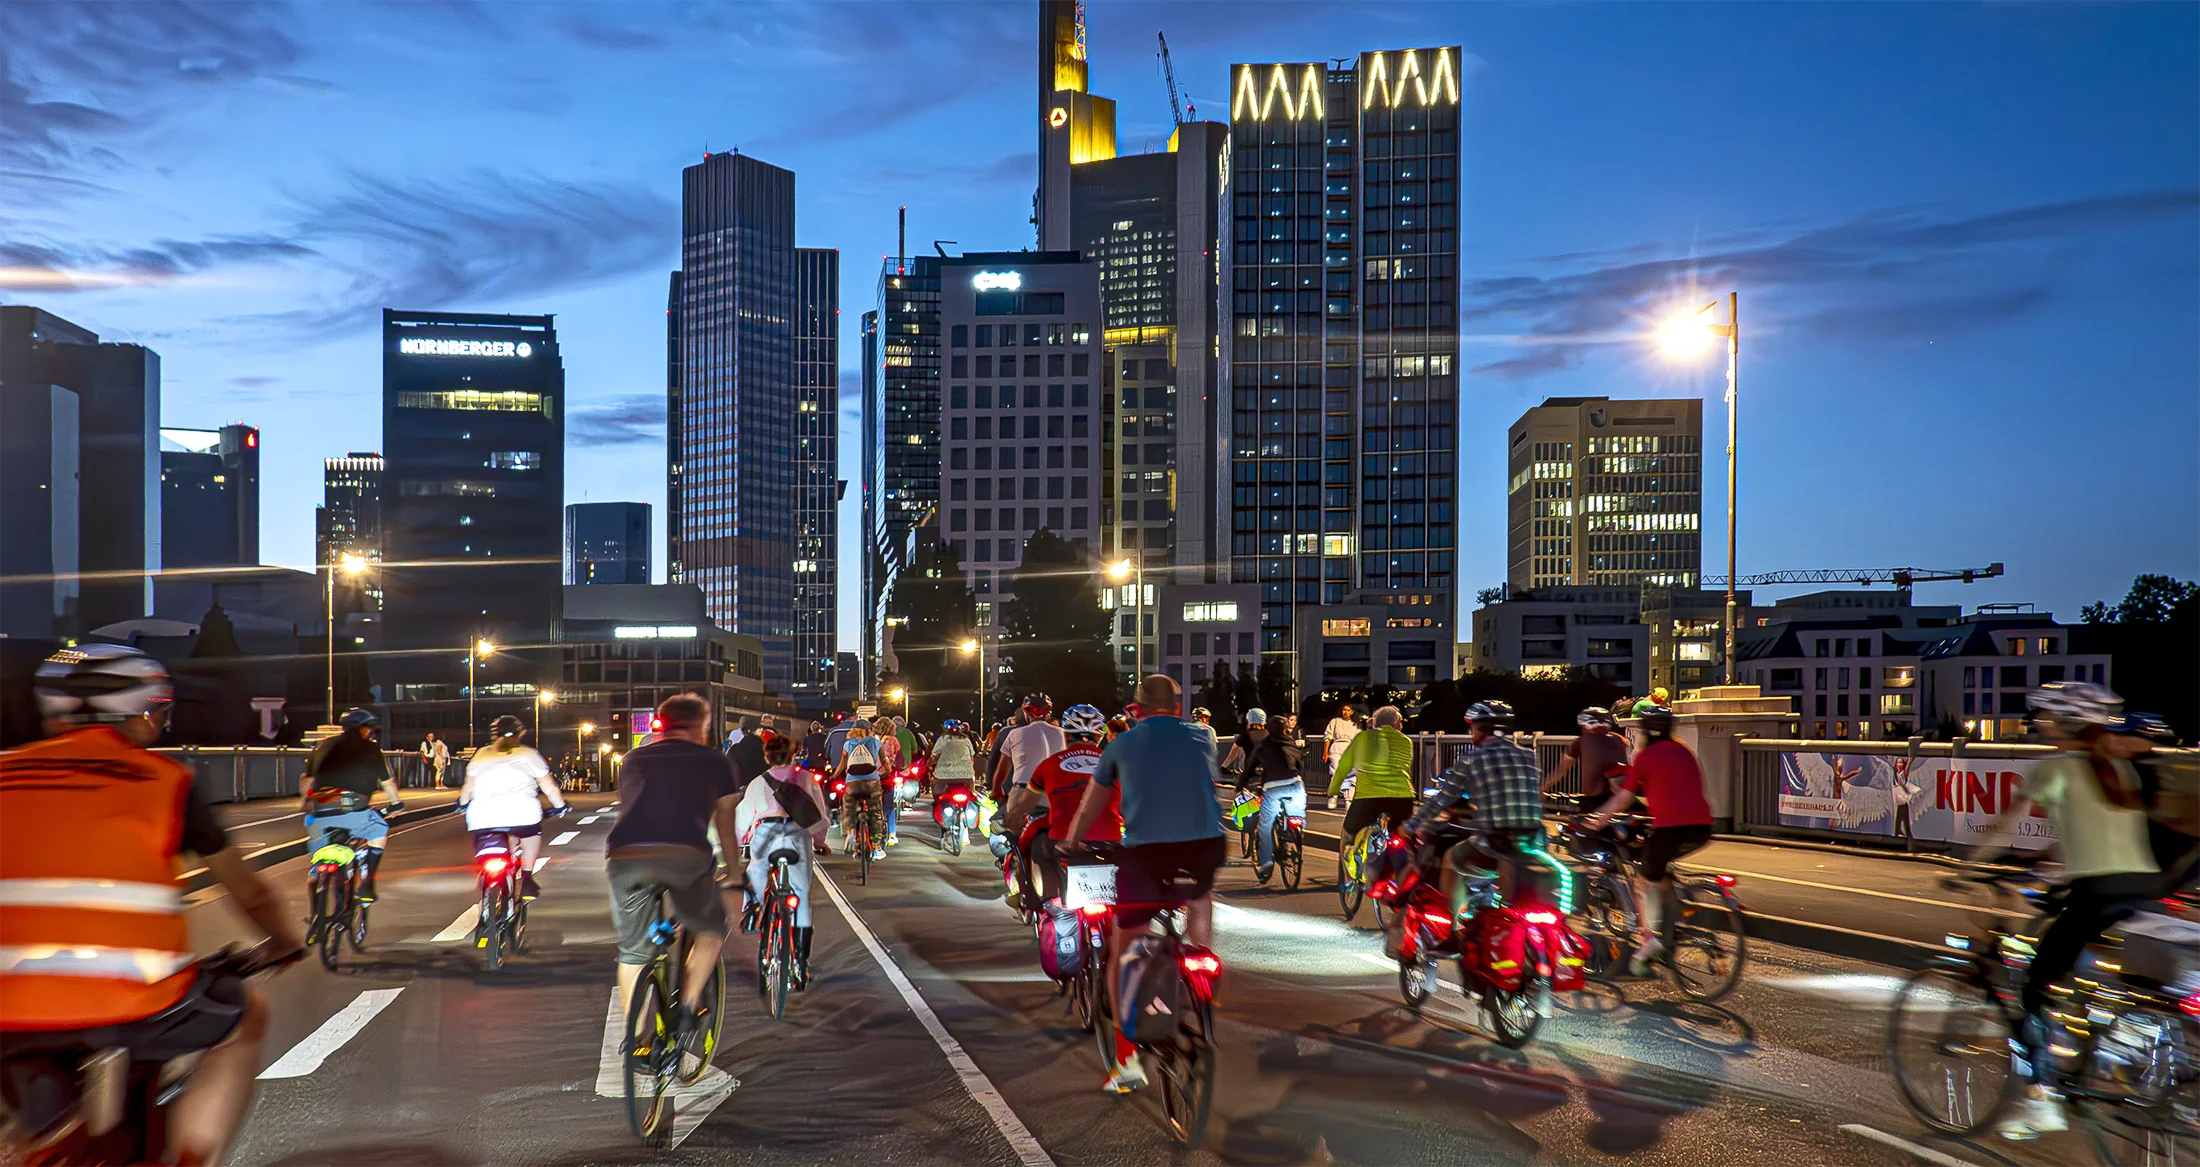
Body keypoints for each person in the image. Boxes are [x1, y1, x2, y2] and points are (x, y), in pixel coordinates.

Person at [0, 644, 304, 1167]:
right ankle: (188, 1158)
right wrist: (284, 943)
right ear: (141, 714)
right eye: (159, 712)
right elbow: (250, 891)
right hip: (135, 997)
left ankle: (38, 1138)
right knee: (244, 1015)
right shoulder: (167, 782)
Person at [1972, 682, 2159, 1140]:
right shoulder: (2119, 767)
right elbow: (2086, 834)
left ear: (2060, 723)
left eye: (2044, 718)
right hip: (2141, 887)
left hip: (2096, 890)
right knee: (2089, 966)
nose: (2039, 724)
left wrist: (1968, 865)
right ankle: (2113, 1035)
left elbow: (2002, 828)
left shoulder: (2051, 767)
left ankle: (2043, 1098)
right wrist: (2048, 866)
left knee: (2034, 990)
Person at [1061, 675, 1226, 1095]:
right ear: (1177, 704)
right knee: (1199, 894)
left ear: (1136, 708)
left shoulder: (1120, 745)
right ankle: (1200, 961)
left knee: (1124, 944)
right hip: (1205, 848)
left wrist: (1073, 841)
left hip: (1147, 853)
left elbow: (1090, 805)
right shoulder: (1202, 738)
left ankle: (1126, 1058)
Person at [605, 694, 743, 1026]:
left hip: (625, 856)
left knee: (634, 953)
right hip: (685, 855)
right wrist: (735, 872)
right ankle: (687, 1008)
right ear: (701, 726)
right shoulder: (716, 761)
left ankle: (638, 1042)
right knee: (710, 929)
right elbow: (725, 828)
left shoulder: (633, 759)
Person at [1403, 701, 1560, 929]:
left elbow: (1442, 799)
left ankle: (1453, 926)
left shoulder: (1471, 759)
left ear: (1479, 729)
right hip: (1534, 840)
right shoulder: (1528, 756)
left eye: (1473, 728)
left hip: (1495, 843)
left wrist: (1411, 825)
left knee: (1450, 860)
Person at [1583, 704, 1713, 975]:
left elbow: (1624, 797)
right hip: (1701, 828)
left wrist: (1599, 818)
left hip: (1671, 829)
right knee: (1661, 871)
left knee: (1641, 882)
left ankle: (1647, 939)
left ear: (1644, 730)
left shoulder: (1645, 757)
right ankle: (1674, 920)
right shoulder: (1684, 751)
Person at [736, 734, 830, 989]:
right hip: (797, 837)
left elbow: (742, 818)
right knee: (800, 895)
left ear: (767, 756)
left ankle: (754, 910)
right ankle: (800, 964)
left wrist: (734, 844)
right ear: (793, 754)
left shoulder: (757, 782)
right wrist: (820, 841)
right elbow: (819, 816)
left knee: (756, 868)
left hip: (766, 835)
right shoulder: (806, 778)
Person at [1012, 705, 1118, 903]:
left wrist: (1012, 819)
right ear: (1100, 737)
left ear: (1066, 736)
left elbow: (1025, 805)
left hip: (1062, 841)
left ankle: (1029, 897)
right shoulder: (1116, 763)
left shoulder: (1049, 764)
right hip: (1110, 841)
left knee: (1025, 846)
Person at [461, 714, 570, 900]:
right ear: (521, 734)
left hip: (482, 816)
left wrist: (462, 804)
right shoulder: (528, 754)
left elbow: (468, 787)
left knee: (492, 837)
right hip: (523, 813)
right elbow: (549, 787)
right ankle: (527, 877)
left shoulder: (481, 754)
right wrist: (560, 806)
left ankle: (487, 878)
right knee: (531, 835)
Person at [303, 707, 404, 902]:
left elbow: (307, 779)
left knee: (316, 864)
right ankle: (367, 884)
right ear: (361, 729)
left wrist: (305, 802)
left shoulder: (324, 745)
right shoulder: (371, 748)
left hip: (317, 817)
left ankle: (317, 918)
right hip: (354, 811)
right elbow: (387, 781)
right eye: (369, 729)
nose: (370, 733)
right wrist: (396, 803)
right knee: (379, 832)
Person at [993, 696, 1066, 904]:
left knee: (1016, 842)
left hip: (1024, 792)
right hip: (1055, 794)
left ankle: (1020, 890)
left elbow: (1002, 771)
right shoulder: (1063, 734)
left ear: (1026, 713)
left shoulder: (1015, 734)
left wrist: (996, 791)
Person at [1331, 705, 1420, 848]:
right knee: (1405, 836)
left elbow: (1343, 767)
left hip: (1368, 798)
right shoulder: (1405, 741)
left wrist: (1333, 790)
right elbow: (1406, 767)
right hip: (1402, 797)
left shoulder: (1362, 738)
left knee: (1348, 836)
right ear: (1395, 723)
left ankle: (1347, 868)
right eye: (1401, 721)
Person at [1233, 709, 1306, 882]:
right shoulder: (1292, 743)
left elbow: (1250, 767)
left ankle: (1266, 865)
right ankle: (1294, 832)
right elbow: (1300, 764)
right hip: (1296, 785)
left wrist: (1240, 785)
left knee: (1265, 826)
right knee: (1295, 815)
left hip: (1273, 786)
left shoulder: (1265, 745)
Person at [1546, 707, 1630, 805]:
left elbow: (1561, 770)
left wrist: (1544, 787)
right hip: (1621, 798)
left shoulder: (1581, 741)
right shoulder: (1620, 740)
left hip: (1594, 799)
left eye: (1582, 727)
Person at [831, 719, 888, 861]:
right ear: (869, 730)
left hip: (853, 782)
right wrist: (887, 771)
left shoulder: (848, 744)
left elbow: (842, 765)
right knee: (875, 812)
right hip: (871, 782)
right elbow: (885, 762)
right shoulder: (875, 742)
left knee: (848, 806)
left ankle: (850, 831)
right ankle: (876, 847)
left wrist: (833, 776)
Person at [930, 719, 981, 831]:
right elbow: (972, 757)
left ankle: (944, 829)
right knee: (971, 797)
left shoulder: (942, 739)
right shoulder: (966, 740)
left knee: (938, 798)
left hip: (943, 777)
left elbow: (934, 756)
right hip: (966, 776)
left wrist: (931, 763)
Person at [1323, 704, 1363, 809]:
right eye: (1344, 709)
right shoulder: (1335, 721)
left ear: (1352, 712)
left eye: (1348, 710)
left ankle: (1348, 799)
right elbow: (1328, 737)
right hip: (1336, 747)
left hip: (1350, 748)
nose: (1345, 712)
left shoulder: (1355, 724)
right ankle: (1333, 796)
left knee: (1351, 774)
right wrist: (1325, 752)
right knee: (1336, 772)